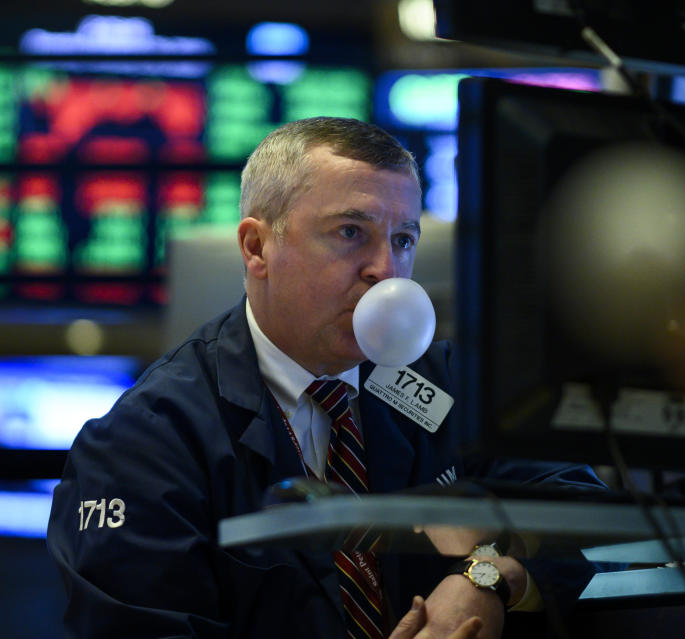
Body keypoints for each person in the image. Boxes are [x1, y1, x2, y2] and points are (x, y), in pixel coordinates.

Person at [47, 117, 605, 639]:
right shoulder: (147, 441)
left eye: (404, 239)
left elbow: (588, 524)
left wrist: (489, 579)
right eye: (350, 232)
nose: (386, 270)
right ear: (256, 246)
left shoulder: (448, 384)